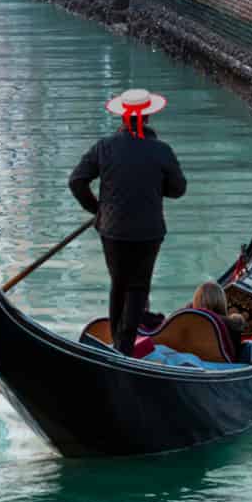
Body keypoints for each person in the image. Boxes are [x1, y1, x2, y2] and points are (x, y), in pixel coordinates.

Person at [68, 87, 187, 355]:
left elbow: (76, 181)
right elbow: (179, 189)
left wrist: (97, 209)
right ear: (146, 118)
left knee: (119, 284)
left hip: (112, 229)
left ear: (123, 118)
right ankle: (123, 347)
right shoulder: (161, 150)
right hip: (148, 231)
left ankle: (117, 343)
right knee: (138, 286)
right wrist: (157, 186)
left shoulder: (105, 147)